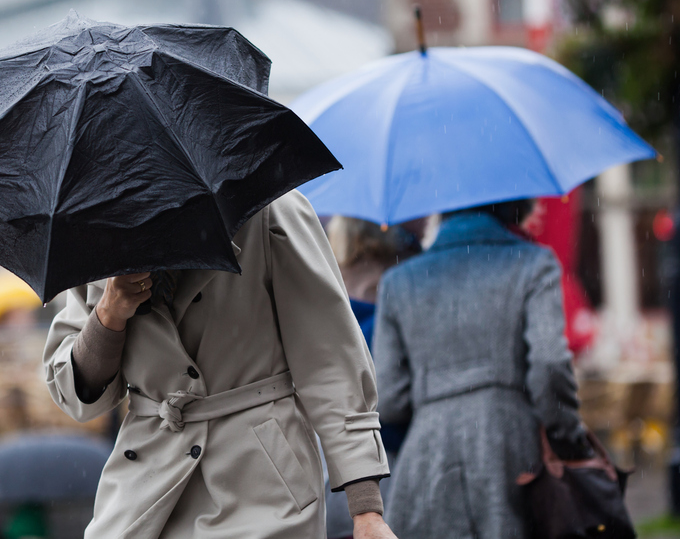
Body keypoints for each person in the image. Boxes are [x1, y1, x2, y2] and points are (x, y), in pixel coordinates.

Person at [43, 191, 396, 539]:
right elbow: (78, 396)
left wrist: (365, 506)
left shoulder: (269, 208)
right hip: (145, 490)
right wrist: (109, 314)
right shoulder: (93, 229)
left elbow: (330, 358)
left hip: (262, 485)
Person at [374, 200, 593, 538]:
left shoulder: (398, 281)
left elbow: (388, 399)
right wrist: (568, 438)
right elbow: (550, 365)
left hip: (427, 458)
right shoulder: (532, 263)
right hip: (510, 450)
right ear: (514, 201)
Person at [323, 217, 423, 539]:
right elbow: (393, 396)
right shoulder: (406, 276)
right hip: (393, 460)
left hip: (335, 463)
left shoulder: (324, 274)